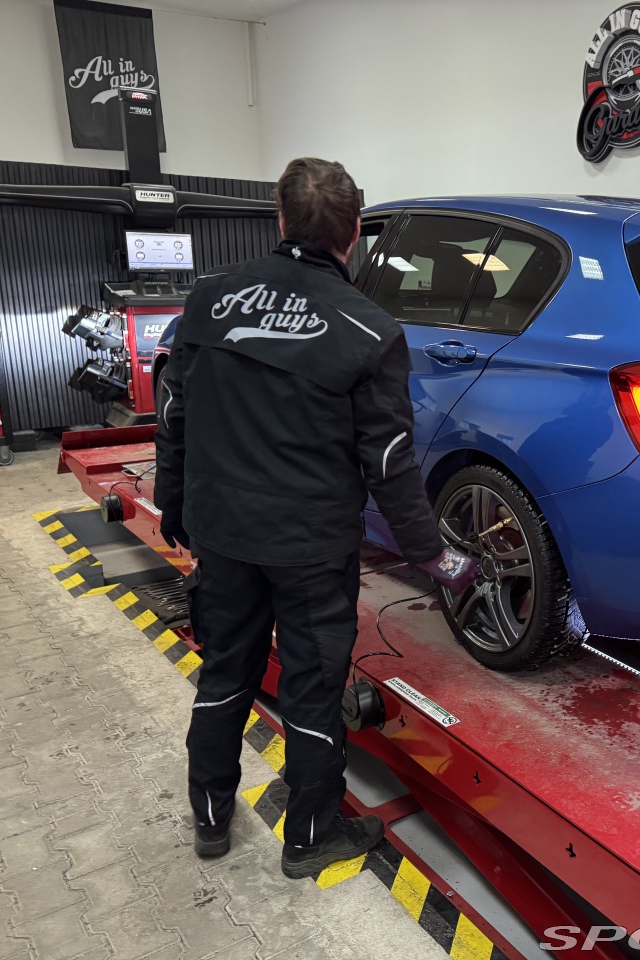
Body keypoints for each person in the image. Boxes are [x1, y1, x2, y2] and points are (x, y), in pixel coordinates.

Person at [154, 157, 477, 879]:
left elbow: (176, 412)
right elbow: (388, 459)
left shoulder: (210, 300)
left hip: (222, 532)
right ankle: (308, 836)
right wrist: (433, 554)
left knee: (224, 672)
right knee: (311, 686)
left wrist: (172, 500)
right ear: (354, 232)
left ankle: (210, 818)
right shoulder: (370, 330)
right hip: (310, 545)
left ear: (281, 219)